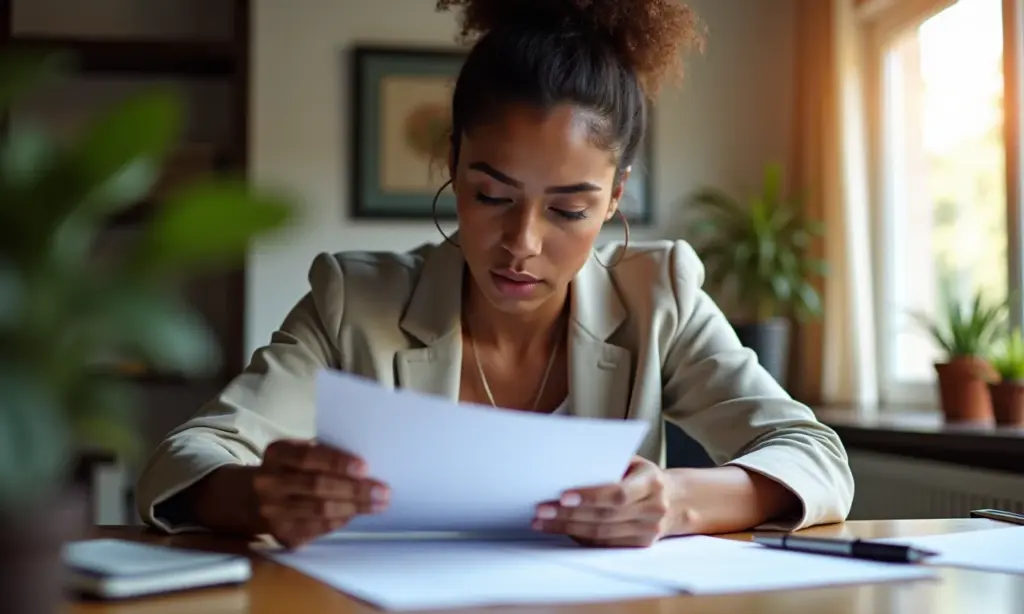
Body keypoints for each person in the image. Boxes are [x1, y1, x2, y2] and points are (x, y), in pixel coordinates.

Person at [135, 0, 854, 550]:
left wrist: (675, 500)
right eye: (492, 196)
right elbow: (182, 460)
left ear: (616, 197)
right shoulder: (355, 299)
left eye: (570, 208)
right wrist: (261, 495)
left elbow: (817, 457)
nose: (522, 243)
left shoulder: (659, 295)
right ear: (452, 165)